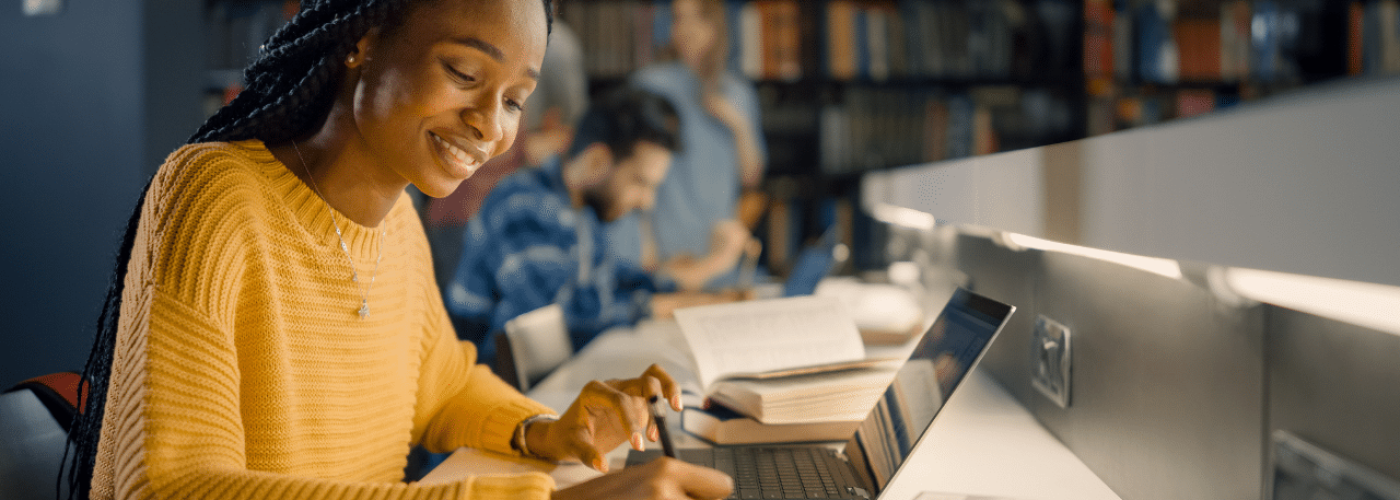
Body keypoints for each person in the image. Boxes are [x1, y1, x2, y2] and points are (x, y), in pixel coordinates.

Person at [61, 1, 733, 499]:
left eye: (515, 100)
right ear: (363, 40)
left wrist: (546, 431)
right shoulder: (213, 196)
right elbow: (171, 488)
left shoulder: (400, 223)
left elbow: (439, 389)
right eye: (465, 73)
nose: (490, 126)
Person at [445, 87, 743, 365]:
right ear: (598, 160)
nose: (647, 202)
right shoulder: (522, 205)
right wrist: (667, 305)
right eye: (641, 182)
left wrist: (689, 290)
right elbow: (560, 318)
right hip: (487, 388)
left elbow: (608, 282)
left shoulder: (581, 211)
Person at [608, 0, 767, 290]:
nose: (685, 29)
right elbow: (627, 172)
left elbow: (752, 177)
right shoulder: (650, 86)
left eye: (697, 19)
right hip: (669, 257)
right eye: (679, 19)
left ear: (716, 26)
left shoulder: (738, 94)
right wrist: (644, 247)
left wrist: (739, 126)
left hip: (722, 259)